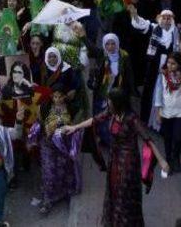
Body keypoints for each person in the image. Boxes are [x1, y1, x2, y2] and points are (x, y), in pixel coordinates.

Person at [63, 88, 169, 226]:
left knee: (124, 194)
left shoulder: (132, 118)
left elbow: (147, 139)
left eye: (110, 101)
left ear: (118, 103)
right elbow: (94, 120)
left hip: (128, 162)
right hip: (115, 158)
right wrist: (75, 127)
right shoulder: (111, 112)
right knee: (113, 189)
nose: (108, 104)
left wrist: (161, 160)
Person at [28, 88, 82, 215]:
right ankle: (47, 200)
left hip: (64, 145)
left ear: (64, 97)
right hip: (47, 145)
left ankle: (63, 194)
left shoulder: (71, 108)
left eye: (60, 97)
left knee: (63, 170)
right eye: (55, 97)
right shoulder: (45, 107)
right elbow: (38, 124)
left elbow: (76, 127)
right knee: (49, 173)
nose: (57, 99)